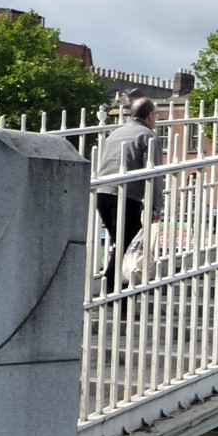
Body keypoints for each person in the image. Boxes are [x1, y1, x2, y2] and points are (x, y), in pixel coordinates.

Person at [95, 97, 162, 295]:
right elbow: (153, 174)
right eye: (155, 115)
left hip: (102, 193)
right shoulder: (148, 136)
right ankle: (112, 284)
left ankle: (116, 289)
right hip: (125, 196)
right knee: (128, 243)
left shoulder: (115, 134)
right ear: (150, 116)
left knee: (122, 243)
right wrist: (154, 206)